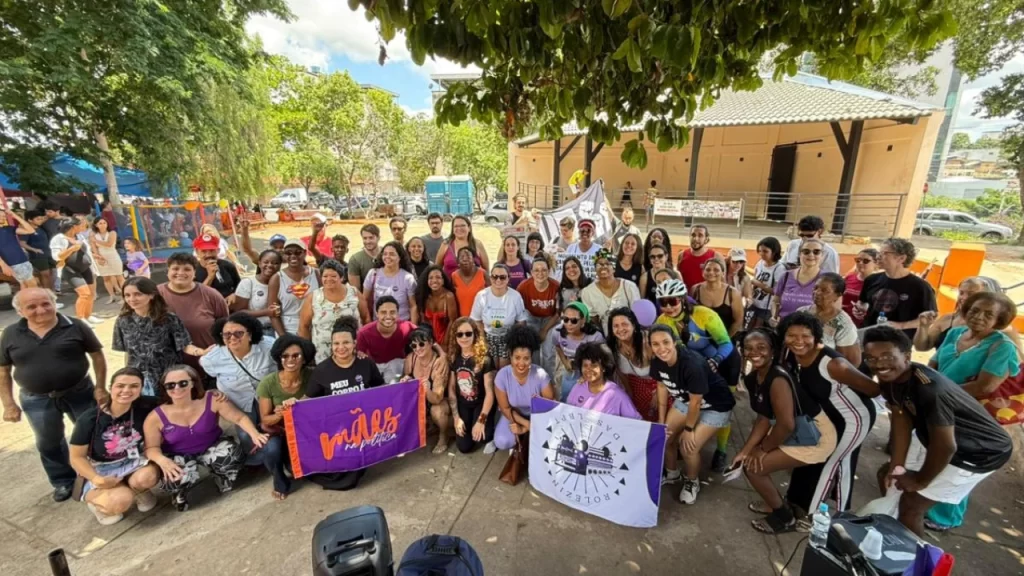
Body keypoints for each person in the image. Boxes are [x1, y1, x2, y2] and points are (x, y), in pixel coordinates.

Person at [865, 326, 1013, 538]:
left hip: (980, 452)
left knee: (911, 505)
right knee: (888, 477)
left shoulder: (930, 390)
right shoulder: (891, 380)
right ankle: (893, 537)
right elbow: (901, 418)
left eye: (887, 356)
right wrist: (897, 466)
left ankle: (915, 563)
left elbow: (946, 446)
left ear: (907, 357)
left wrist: (920, 480)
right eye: (871, 358)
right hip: (940, 439)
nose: (879, 363)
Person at [921, 291, 1021, 531]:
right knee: (934, 455)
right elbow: (934, 363)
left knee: (957, 464)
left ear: (1000, 320)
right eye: (975, 311)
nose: (979, 317)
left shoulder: (1001, 346)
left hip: (967, 412)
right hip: (938, 405)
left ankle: (946, 517)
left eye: (989, 314)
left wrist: (940, 391)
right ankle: (923, 504)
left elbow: (985, 386)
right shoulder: (956, 333)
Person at [0, 288, 108, 502]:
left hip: (79, 391)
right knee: (49, 442)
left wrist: (100, 387)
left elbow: (97, 356)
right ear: (20, 311)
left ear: (53, 303)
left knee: (96, 432)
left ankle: (103, 472)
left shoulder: (75, 325)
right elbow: (3, 370)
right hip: (36, 399)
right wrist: (8, 403)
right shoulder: (11, 333)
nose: (40, 310)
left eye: (46, 304)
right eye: (31, 307)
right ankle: (63, 481)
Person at [735, 329, 837, 534]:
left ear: (773, 350)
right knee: (749, 459)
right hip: (795, 430)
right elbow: (763, 418)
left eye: (761, 347)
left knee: (754, 468)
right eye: (748, 348)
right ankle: (775, 502)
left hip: (815, 436)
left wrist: (761, 449)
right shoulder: (754, 378)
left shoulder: (778, 379)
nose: (754, 352)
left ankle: (784, 518)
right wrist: (746, 450)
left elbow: (786, 425)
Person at [779, 312, 878, 518]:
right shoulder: (791, 355)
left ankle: (811, 515)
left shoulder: (834, 364)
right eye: (791, 335)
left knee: (831, 462)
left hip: (853, 418)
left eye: (805, 335)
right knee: (811, 458)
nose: (798, 341)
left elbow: (873, 389)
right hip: (826, 416)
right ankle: (795, 502)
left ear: (816, 336)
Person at [143, 365, 263, 512]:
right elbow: (151, 448)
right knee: (172, 474)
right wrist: (162, 461)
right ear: (164, 388)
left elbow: (239, 418)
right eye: (170, 385)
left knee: (231, 454)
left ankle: (222, 475)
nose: (177, 388)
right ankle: (179, 492)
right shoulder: (155, 417)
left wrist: (255, 434)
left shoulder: (212, 399)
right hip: (179, 455)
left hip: (211, 446)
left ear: (193, 382)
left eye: (183, 383)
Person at [648, 325, 736, 504]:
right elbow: (662, 386)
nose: (661, 348)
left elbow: (696, 402)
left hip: (715, 405)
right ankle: (672, 473)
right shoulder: (657, 361)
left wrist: (688, 429)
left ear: (674, 342)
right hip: (686, 398)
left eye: (665, 342)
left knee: (688, 447)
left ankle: (692, 480)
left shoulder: (692, 364)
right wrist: (661, 421)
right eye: (655, 344)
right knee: (665, 436)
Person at [68, 367, 161, 524]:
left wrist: (213, 395)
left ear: (141, 389)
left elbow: (177, 399)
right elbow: (76, 457)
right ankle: (100, 504)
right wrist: (96, 479)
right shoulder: (89, 420)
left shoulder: (145, 406)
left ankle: (137, 489)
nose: (127, 390)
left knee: (148, 477)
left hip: (133, 461)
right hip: (101, 468)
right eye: (120, 386)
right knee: (120, 501)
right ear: (111, 388)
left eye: (134, 386)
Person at [199, 312, 277, 461]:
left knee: (274, 426)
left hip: (267, 396)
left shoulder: (268, 346)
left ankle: (279, 456)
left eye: (238, 333)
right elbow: (211, 376)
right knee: (245, 435)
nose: (232, 338)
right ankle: (257, 462)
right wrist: (215, 391)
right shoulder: (211, 359)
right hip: (238, 399)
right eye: (227, 334)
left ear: (250, 334)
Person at [114, 277, 201, 395]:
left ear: (151, 295)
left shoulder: (169, 319)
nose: (132, 299)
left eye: (137, 294)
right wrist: (128, 375)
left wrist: (201, 352)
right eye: (127, 295)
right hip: (139, 380)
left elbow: (184, 345)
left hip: (169, 378)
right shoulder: (122, 321)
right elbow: (128, 353)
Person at [257, 334, 316, 500]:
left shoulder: (313, 375)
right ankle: (279, 481)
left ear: (304, 358)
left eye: (296, 355)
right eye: (285, 356)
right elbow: (265, 420)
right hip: (279, 431)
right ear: (279, 358)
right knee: (271, 450)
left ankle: (291, 463)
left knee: (301, 472)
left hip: (304, 430)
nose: (291, 360)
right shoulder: (268, 383)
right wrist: (281, 413)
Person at [158, 253, 230, 378]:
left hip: (207, 365)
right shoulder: (155, 295)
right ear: (167, 271)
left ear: (194, 272)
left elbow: (226, 328)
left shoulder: (211, 295)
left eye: (187, 269)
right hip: (168, 367)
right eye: (175, 268)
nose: (180, 273)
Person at [856, 237, 936, 338]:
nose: (878, 256)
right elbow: (863, 302)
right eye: (879, 253)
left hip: (897, 343)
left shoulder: (920, 287)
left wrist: (901, 325)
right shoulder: (871, 279)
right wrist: (860, 308)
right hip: (868, 336)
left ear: (901, 258)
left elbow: (931, 318)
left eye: (884, 253)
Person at [493, 325, 556, 450]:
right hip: (514, 414)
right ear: (510, 356)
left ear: (531, 358)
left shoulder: (541, 376)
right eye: (517, 358)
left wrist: (529, 427)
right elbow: (505, 408)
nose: (521, 363)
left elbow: (550, 406)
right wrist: (526, 424)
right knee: (502, 441)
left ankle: (526, 435)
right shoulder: (502, 376)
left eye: (526, 358)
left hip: (537, 416)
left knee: (550, 441)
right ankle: (520, 439)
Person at [447, 318, 498, 454]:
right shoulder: (454, 357)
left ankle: (492, 421)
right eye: (460, 334)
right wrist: (456, 418)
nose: (464, 337)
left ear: (475, 334)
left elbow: (489, 393)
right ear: (455, 336)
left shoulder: (484, 359)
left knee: (483, 437)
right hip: (463, 403)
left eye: (468, 334)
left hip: (481, 403)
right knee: (464, 447)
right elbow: (451, 389)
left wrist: (481, 420)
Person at [913, 276, 1001, 353]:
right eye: (961, 293)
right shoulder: (947, 319)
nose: (964, 297)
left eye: (971, 294)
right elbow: (921, 347)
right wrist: (923, 327)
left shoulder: (994, 325)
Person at [299, 259, 363, 363]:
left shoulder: (354, 293)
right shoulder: (313, 297)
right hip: (323, 355)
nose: (329, 279)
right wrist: (308, 353)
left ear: (342, 277)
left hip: (352, 353)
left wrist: (363, 347)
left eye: (333, 276)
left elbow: (366, 318)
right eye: (325, 276)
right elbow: (303, 327)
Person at [401, 327, 452, 454]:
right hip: (418, 401)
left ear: (430, 343)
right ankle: (427, 425)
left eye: (422, 344)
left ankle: (443, 436)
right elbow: (403, 390)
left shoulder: (438, 363)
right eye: (414, 345)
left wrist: (427, 390)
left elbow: (437, 398)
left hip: (437, 400)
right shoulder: (410, 359)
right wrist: (405, 380)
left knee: (438, 410)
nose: (418, 348)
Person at [309, 317, 387, 397]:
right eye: (336, 343)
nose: (341, 347)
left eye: (346, 342)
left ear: (354, 343)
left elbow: (382, 389)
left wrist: (400, 386)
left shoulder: (366, 363)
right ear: (331, 345)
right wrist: (295, 403)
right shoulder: (321, 370)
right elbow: (308, 399)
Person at [471, 263, 529, 368]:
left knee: (504, 368)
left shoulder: (515, 297)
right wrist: (483, 340)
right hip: (488, 336)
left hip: (508, 337)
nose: (498, 280)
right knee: (490, 368)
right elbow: (476, 320)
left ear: (508, 279)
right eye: (495, 276)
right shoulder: (481, 296)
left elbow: (521, 322)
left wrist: (513, 343)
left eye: (502, 277)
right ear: (490, 277)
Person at [607, 307, 659, 421]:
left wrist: (658, 392)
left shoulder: (648, 342)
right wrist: (629, 395)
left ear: (634, 325)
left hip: (659, 385)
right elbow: (622, 376)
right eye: (616, 326)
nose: (620, 329)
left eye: (624, 324)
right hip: (635, 388)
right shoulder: (612, 348)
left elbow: (666, 369)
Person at [798, 273, 861, 366]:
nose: (817, 292)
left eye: (824, 291)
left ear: (837, 295)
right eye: (815, 288)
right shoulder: (801, 312)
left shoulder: (843, 324)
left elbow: (852, 363)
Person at [565, 342, 641, 419]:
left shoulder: (617, 394)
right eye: (585, 365)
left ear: (603, 368)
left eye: (594, 365)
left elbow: (637, 421)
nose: (588, 369)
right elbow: (567, 411)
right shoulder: (578, 386)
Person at [357, 296, 417, 383]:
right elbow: (358, 355)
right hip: (375, 366)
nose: (388, 316)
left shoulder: (406, 326)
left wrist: (441, 354)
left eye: (392, 312)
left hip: (397, 365)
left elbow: (426, 338)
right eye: (383, 312)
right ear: (377, 313)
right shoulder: (364, 332)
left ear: (397, 314)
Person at [51, 218, 101, 324]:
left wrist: (94, 256)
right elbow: (57, 257)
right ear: (73, 227)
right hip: (70, 269)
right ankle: (80, 319)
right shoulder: (58, 239)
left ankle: (88, 315)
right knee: (84, 294)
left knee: (91, 293)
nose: (82, 227)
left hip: (85, 268)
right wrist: (71, 249)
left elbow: (85, 249)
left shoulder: (79, 236)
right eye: (80, 225)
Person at [553, 301, 605, 401]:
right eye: (565, 319)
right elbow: (558, 346)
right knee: (566, 396)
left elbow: (601, 359)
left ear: (583, 321)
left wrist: (587, 374)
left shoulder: (595, 337)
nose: (568, 324)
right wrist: (565, 362)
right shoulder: (557, 332)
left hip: (591, 371)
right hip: (571, 369)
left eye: (574, 320)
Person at [580, 248, 641, 332]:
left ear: (614, 268)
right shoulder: (587, 292)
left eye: (608, 264)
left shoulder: (629, 287)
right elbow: (593, 319)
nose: (603, 266)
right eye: (599, 264)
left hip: (630, 333)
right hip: (607, 336)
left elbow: (637, 314)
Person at [268, 239, 320, 335]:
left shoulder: (316, 273)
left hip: (314, 327)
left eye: (297, 252)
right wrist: (284, 337)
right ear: (284, 254)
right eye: (288, 253)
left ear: (305, 253)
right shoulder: (277, 279)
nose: (293, 256)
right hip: (289, 329)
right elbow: (273, 314)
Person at [363, 240, 418, 324]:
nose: (387, 257)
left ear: (400, 257)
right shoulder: (373, 274)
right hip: (378, 325)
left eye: (392, 254)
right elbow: (365, 300)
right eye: (385, 254)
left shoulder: (407, 278)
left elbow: (413, 306)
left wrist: (413, 329)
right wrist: (368, 323)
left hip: (401, 325)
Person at [772, 237, 825, 323]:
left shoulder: (827, 279)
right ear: (800, 254)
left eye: (816, 252)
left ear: (822, 255)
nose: (811, 255)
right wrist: (774, 316)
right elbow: (775, 301)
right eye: (806, 251)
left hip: (810, 332)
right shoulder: (786, 276)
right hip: (784, 329)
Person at [233, 249, 283, 336]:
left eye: (275, 263)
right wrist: (266, 312)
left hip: (280, 329)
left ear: (280, 265)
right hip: (258, 331)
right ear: (259, 263)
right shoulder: (248, 283)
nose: (270, 265)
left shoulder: (284, 283)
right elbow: (239, 312)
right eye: (266, 262)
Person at [692, 255, 745, 338]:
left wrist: (724, 340)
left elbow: (738, 321)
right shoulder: (695, 290)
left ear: (723, 274)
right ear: (703, 273)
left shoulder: (732, 293)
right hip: (700, 340)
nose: (711, 272)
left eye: (716, 270)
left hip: (726, 338)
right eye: (708, 269)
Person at [517, 255, 560, 349]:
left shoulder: (556, 287)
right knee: (533, 347)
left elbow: (558, 313)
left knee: (548, 351)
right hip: (531, 317)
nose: (540, 273)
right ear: (531, 272)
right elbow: (518, 310)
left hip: (550, 318)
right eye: (536, 270)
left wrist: (545, 330)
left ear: (548, 271)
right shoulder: (523, 287)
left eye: (544, 270)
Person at [415, 265, 458, 348]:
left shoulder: (449, 296)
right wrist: (429, 340)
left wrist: (445, 343)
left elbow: (452, 321)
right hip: (429, 337)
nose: (434, 280)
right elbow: (424, 321)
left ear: (443, 281)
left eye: (438, 277)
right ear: (427, 281)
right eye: (431, 278)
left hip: (447, 337)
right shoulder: (424, 297)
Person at [748, 237, 786, 329]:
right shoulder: (760, 263)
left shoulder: (779, 268)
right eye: (760, 251)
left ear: (774, 252)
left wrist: (758, 283)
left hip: (767, 308)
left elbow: (777, 292)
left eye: (765, 251)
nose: (761, 254)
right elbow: (755, 279)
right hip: (754, 303)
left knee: (758, 330)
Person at [0, 205, 39, 289]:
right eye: (1, 216)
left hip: (22, 260)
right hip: (14, 262)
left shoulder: (8, 229)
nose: (3, 218)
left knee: (25, 286)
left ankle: (24, 302)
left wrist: (14, 215)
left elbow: (31, 230)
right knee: (32, 286)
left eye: (4, 216)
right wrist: (3, 265)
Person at [192, 233, 241, 299]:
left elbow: (240, 287)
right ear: (197, 252)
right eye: (204, 251)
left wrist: (234, 295)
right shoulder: (192, 270)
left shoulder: (228, 266)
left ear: (218, 251)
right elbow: (196, 296)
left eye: (212, 251)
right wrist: (210, 277)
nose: (208, 255)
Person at [89, 217, 124, 303]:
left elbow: (109, 244)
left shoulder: (112, 233)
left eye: (104, 222)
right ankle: (112, 296)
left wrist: (96, 240)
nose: (103, 225)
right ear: (96, 225)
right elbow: (93, 247)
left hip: (113, 255)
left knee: (119, 276)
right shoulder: (92, 234)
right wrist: (98, 257)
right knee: (106, 278)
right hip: (101, 256)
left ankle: (124, 296)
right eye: (100, 223)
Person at [20, 209, 56, 291]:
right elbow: (22, 243)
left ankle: (52, 293)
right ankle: (47, 293)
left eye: (41, 219)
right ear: (29, 220)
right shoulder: (26, 231)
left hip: (48, 253)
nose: (40, 221)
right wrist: (34, 249)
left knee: (51, 274)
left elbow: (46, 217)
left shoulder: (41, 228)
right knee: (44, 274)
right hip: (38, 256)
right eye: (38, 219)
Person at [843, 248, 879, 326]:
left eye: (865, 261)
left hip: (864, 324)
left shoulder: (879, 282)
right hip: (843, 321)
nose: (860, 263)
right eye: (858, 260)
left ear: (876, 263)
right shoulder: (849, 277)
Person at [677, 225, 716, 292]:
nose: (696, 238)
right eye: (693, 235)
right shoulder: (681, 255)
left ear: (706, 239)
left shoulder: (715, 256)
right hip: (686, 299)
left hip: (706, 299)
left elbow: (722, 281)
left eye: (700, 235)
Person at [452, 246, 489, 317]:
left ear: (473, 259)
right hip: (462, 319)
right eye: (462, 257)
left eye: (468, 256)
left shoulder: (483, 273)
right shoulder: (454, 276)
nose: (465, 259)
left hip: (481, 318)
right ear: (458, 261)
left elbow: (492, 294)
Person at [347, 224, 382, 289]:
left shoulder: (387, 254)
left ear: (378, 238)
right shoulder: (355, 259)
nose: (368, 241)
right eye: (365, 238)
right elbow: (356, 290)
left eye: (371, 238)